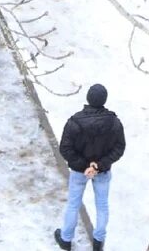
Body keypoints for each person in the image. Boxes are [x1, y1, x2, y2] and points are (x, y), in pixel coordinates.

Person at [54, 84, 126, 251]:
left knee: (73, 204)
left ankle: (66, 239)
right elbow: (119, 148)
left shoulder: (75, 121)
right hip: (102, 171)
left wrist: (84, 166)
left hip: (80, 171)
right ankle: (98, 242)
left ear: (88, 98)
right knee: (102, 205)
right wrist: (98, 166)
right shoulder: (114, 122)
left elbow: (65, 148)